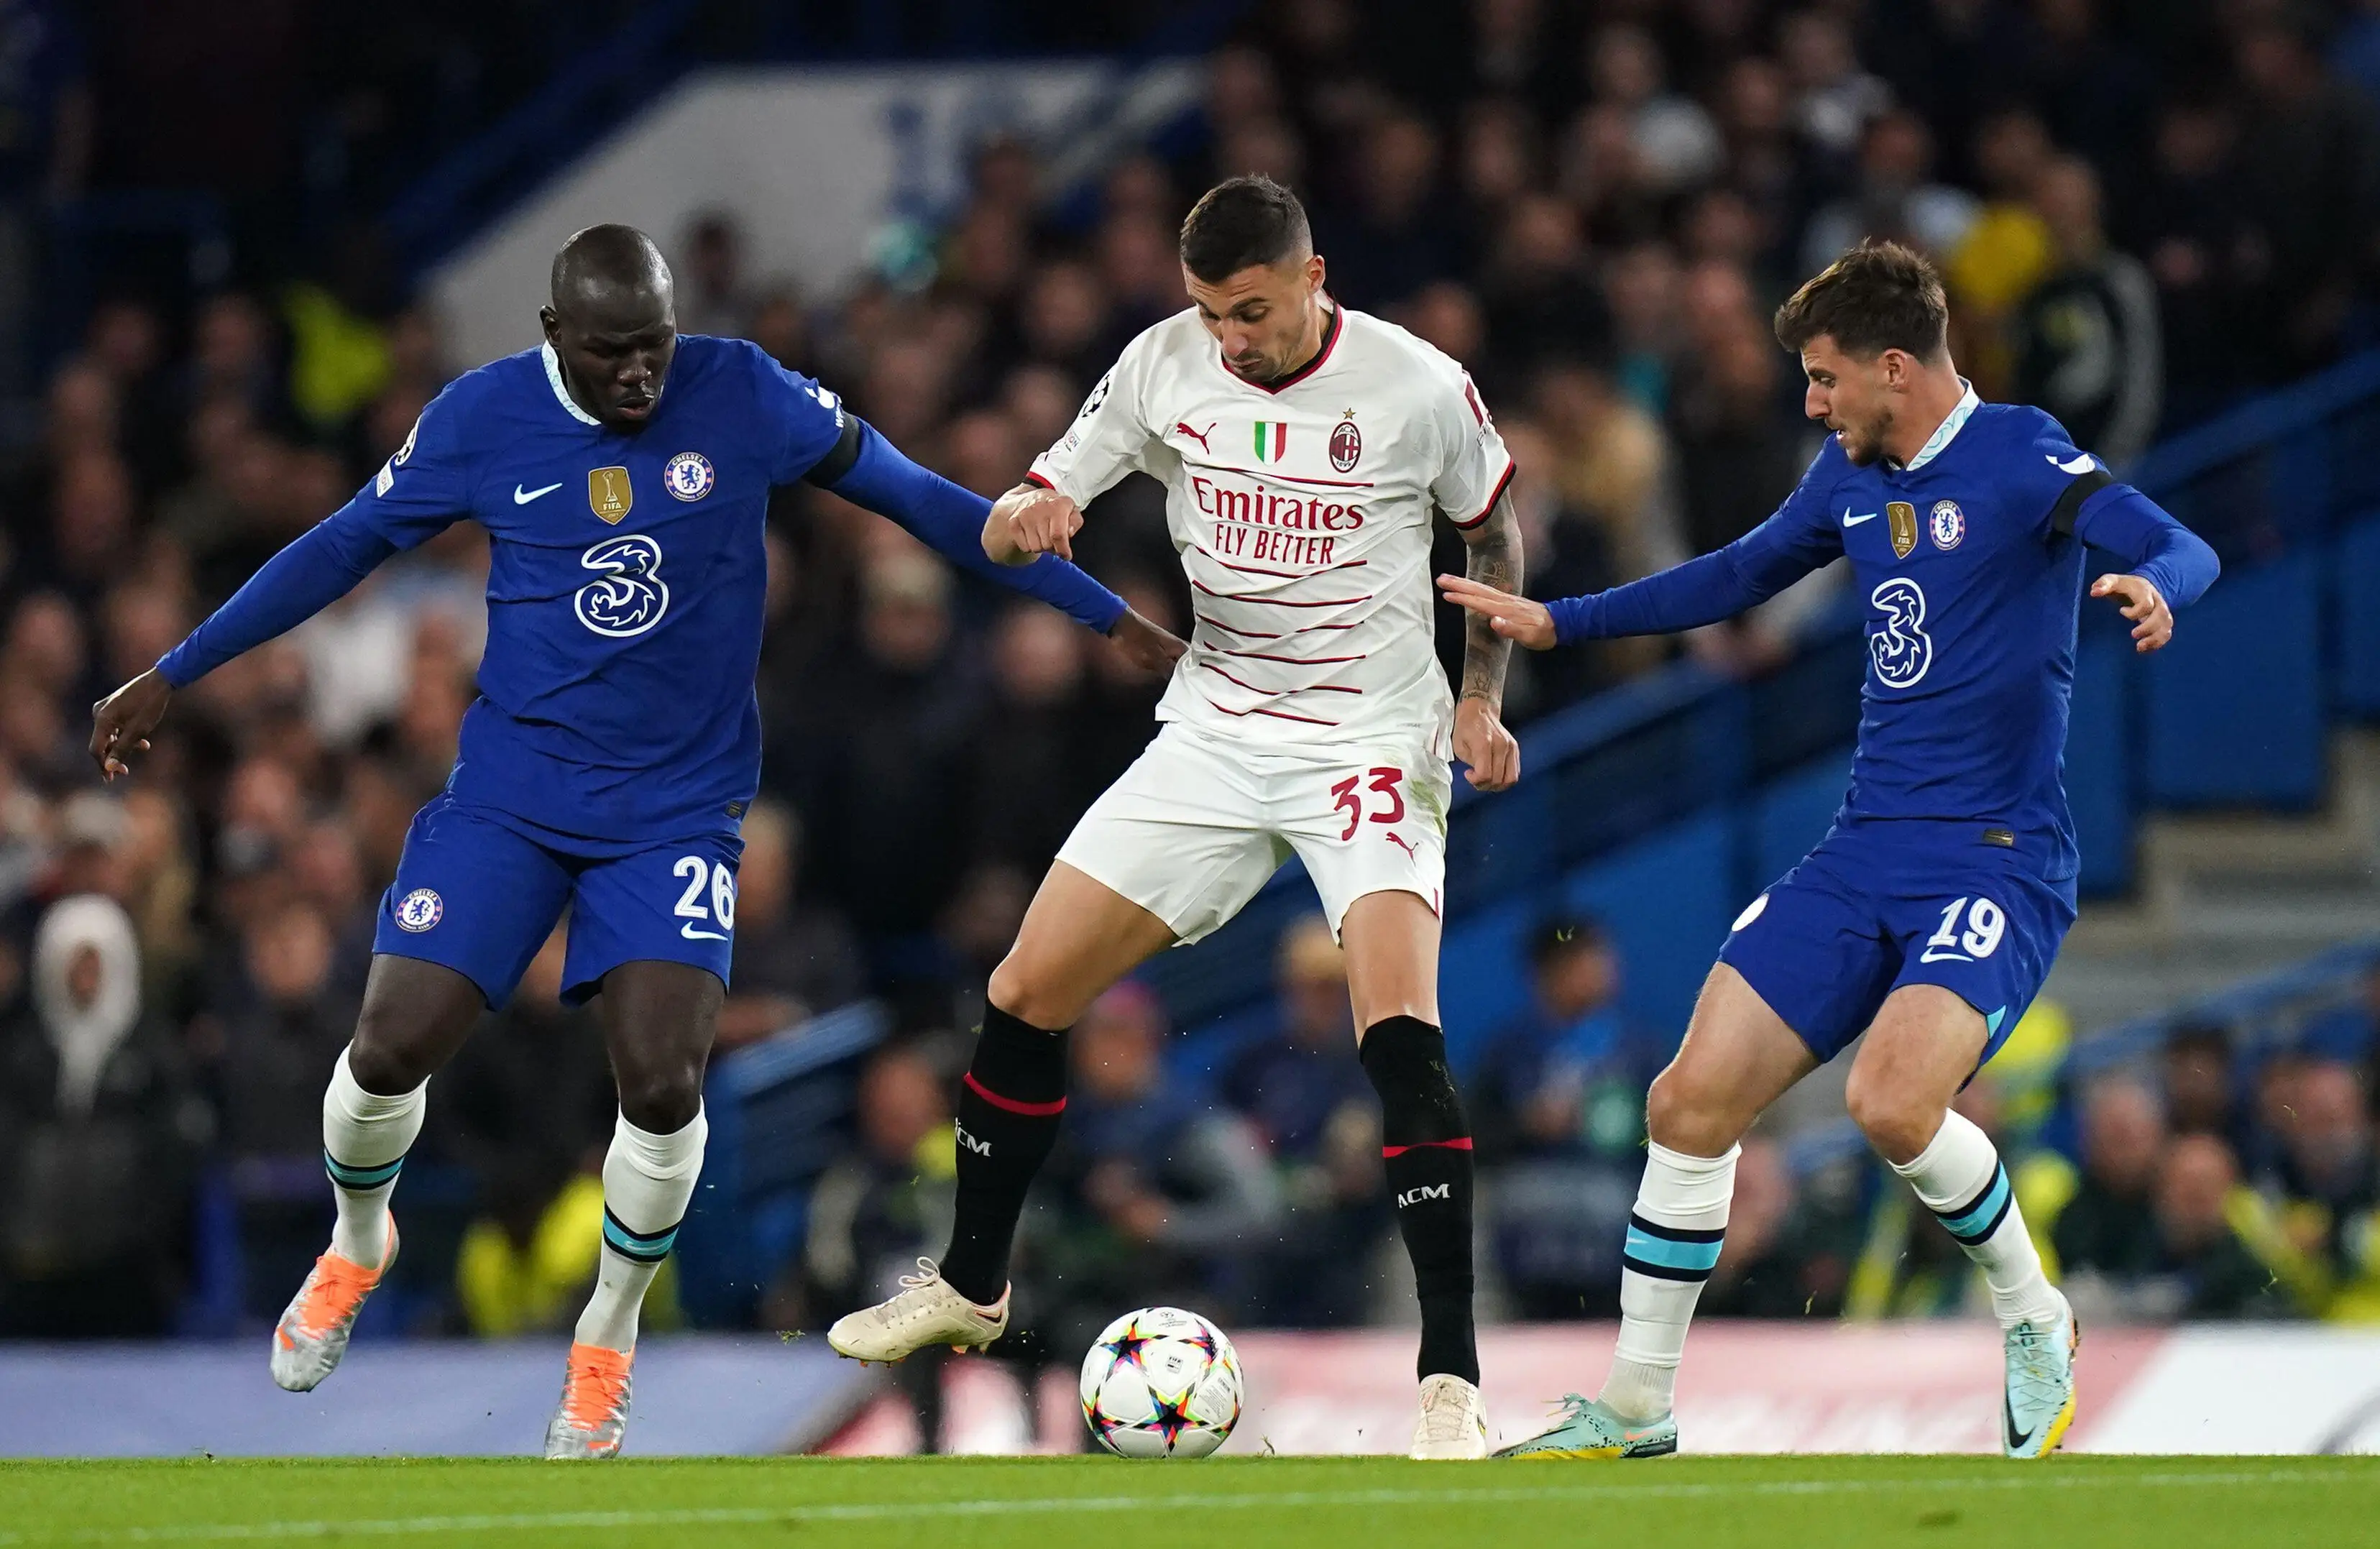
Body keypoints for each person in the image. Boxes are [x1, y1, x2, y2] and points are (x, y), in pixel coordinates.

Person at [85, 224, 1180, 1458]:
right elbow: (339, 546)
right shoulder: (480, 418)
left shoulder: (745, 390)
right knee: (388, 1050)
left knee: (661, 1081)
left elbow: (925, 501)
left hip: (676, 812)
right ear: (556, 336)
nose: (642, 378)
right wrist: (176, 671)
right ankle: (357, 1241)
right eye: (613, 356)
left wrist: (1103, 618)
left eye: (654, 347)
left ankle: (604, 1342)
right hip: (511, 795)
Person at [1442, 239, 2219, 1461]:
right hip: (1863, 852)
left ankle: (2035, 1316)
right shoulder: (1849, 476)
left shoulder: (2018, 454)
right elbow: (1741, 573)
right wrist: (1559, 619)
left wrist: (2159, 586)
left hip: (1994, 857)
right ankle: (1636, 1407)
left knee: (1891, 1100)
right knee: (1686, 1102)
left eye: (1822, 378)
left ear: (1893, 368)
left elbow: (2175, 538)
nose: (1809, 403)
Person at [825, 175, 1525, 1459]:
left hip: (1368, 738)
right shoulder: (1162, 365)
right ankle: (972, 1286)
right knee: (1025, 986)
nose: (1230, 339)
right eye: (1210, 313)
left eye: (1250, 311)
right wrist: (1035, 512)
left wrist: (1480, 698)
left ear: (1314, 278)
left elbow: (1494, 540)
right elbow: (1036, 502)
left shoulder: (1418, 385)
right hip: (1214, 728)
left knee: (1397, 1032)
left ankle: (1451, 1379)